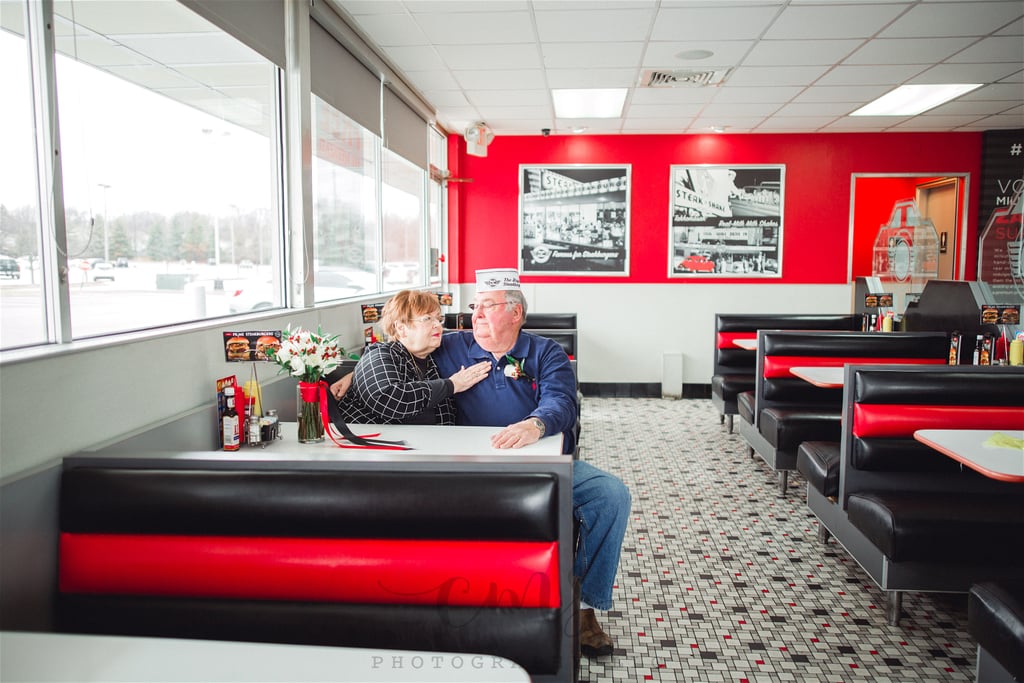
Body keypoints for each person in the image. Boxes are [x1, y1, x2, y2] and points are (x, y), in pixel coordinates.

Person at [330, 269, 631, 658]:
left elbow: (562, 401)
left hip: (537, 460)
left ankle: (587, 609)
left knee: (610, 495)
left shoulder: (546, 352)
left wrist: (535, 424)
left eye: (487, 307)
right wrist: (350, 372)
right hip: (470, 465)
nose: (476, 315)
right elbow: (401, 348)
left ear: (515, 314)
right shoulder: (452, 346)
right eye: (475, 307)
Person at [334, 290, 490, 425]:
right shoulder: (380, 354)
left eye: (438, 319)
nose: (437, 325)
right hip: (373, 452)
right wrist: (452, 385)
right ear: (401, 328)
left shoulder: (433, 356)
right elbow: (388, 399)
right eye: (427, 319)